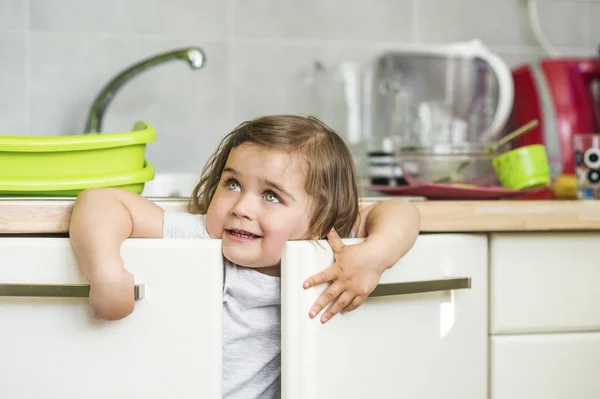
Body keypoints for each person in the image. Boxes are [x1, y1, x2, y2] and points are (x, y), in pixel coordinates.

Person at [69, 114, 421, 398]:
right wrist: (106, 274)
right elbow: (99, 202)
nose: (241, 207)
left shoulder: (326, 248)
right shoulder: (205, 237)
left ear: (321, 217)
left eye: (271, 196)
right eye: (233, 184)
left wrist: (374, 256)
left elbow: (400, 211)